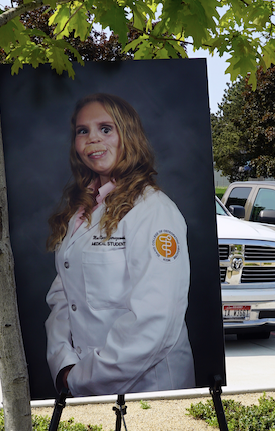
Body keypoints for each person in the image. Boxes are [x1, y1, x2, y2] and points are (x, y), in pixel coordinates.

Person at [45, 92, 195, 397]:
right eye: (82, 131)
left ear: (128, 135)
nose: (92, 140)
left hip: (149, 388)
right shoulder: (82, 210)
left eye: (105, 129)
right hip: (84, 380)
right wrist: (63, 363)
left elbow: (155, 322)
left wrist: (84, 378)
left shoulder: (154, 210)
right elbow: (63, 295)